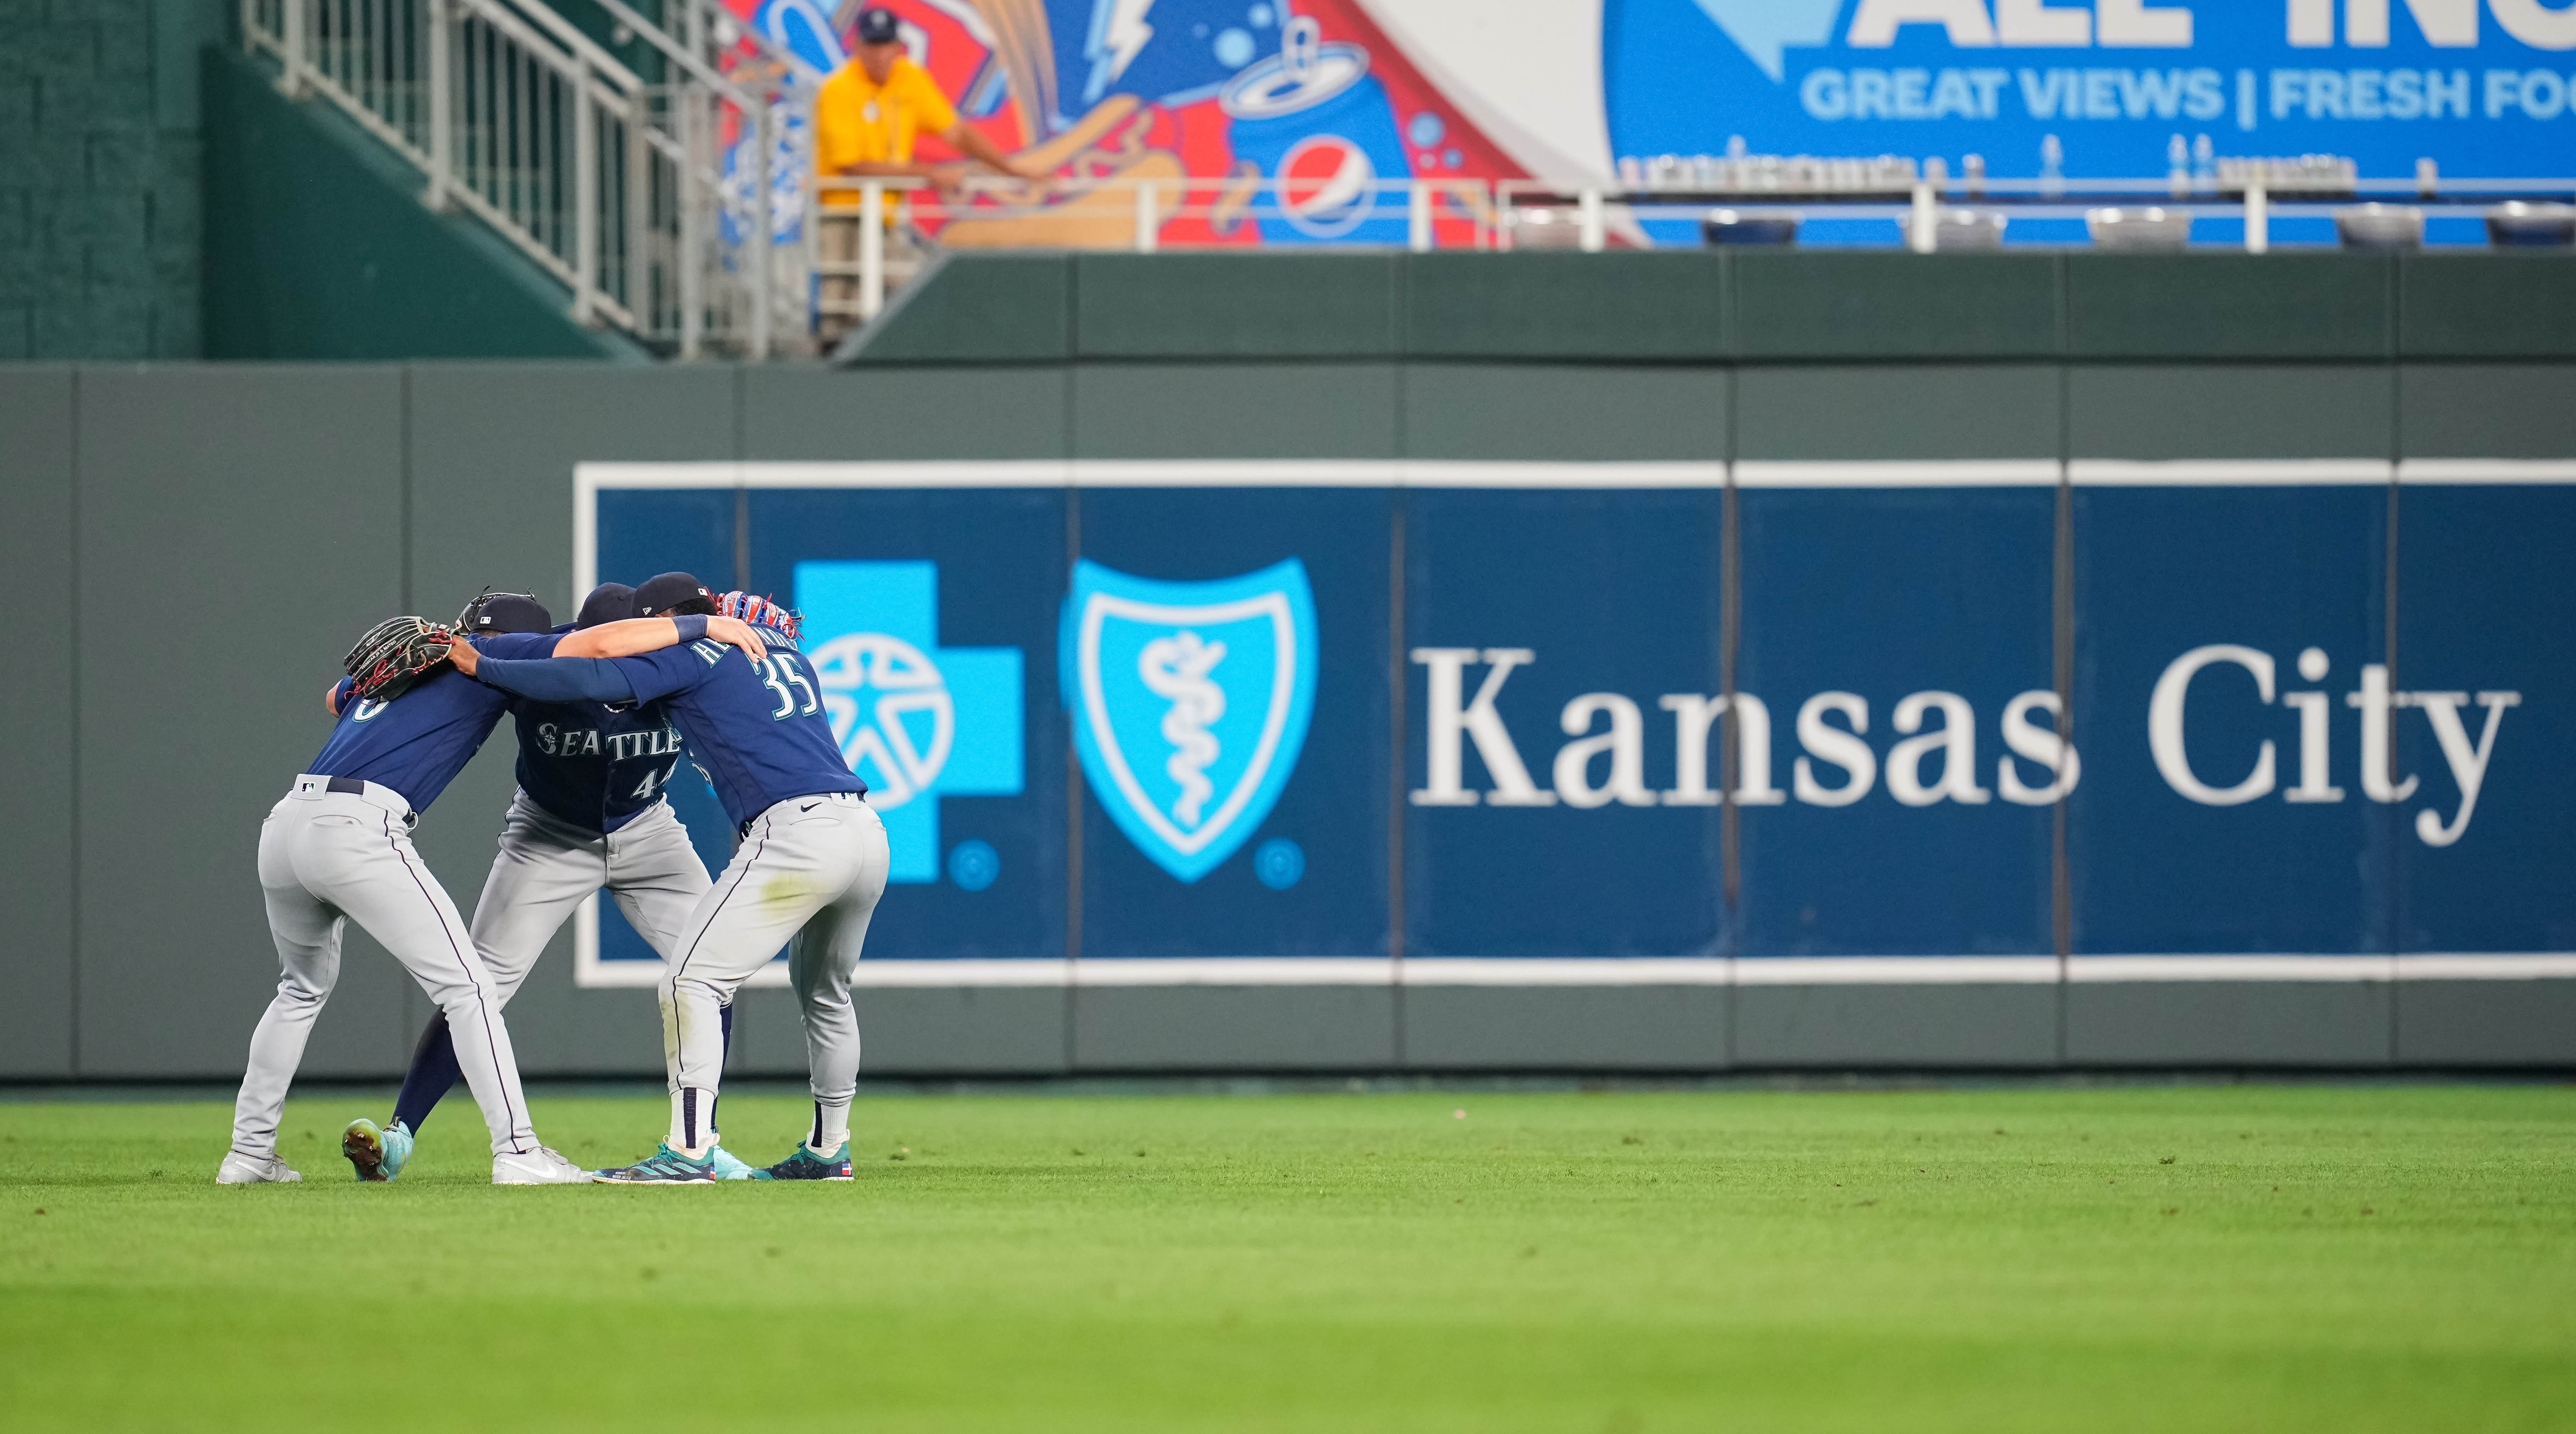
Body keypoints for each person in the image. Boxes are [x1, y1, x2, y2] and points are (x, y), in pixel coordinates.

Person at [221, 594, 764, 1186]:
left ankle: (248, 1153)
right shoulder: (499, 651)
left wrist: (417, 657)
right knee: (473, 987)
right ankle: (515, 1148)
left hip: (290, 821)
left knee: (299, 991)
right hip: (380, 827)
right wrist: (712, 622)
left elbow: (336, 699)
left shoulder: (434, 657)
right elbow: (598, 647)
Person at [459, 576, 888, 1184]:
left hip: (797, 833)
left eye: (649, 621)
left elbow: (591, 677)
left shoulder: (687, 653)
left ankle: (687, 1153)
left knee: (690, 981)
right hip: (864, 828)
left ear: (664, 619)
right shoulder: (782, 647)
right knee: (825, 994)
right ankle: (828, 1150)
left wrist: (485, 665)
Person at [812, 5, 1048, 337]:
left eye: (886, 46)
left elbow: (956, 132)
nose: (880, 56)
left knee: (897, 290)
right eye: (872, 46)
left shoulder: (909, 79)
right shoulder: (838, 89)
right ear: (858, 47)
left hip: (887, 211)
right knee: (839, 303)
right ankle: (831, 360)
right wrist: (929, 175)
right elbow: (851, 165)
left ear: (898, 47)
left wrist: (1011, 169)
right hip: (842, 209)